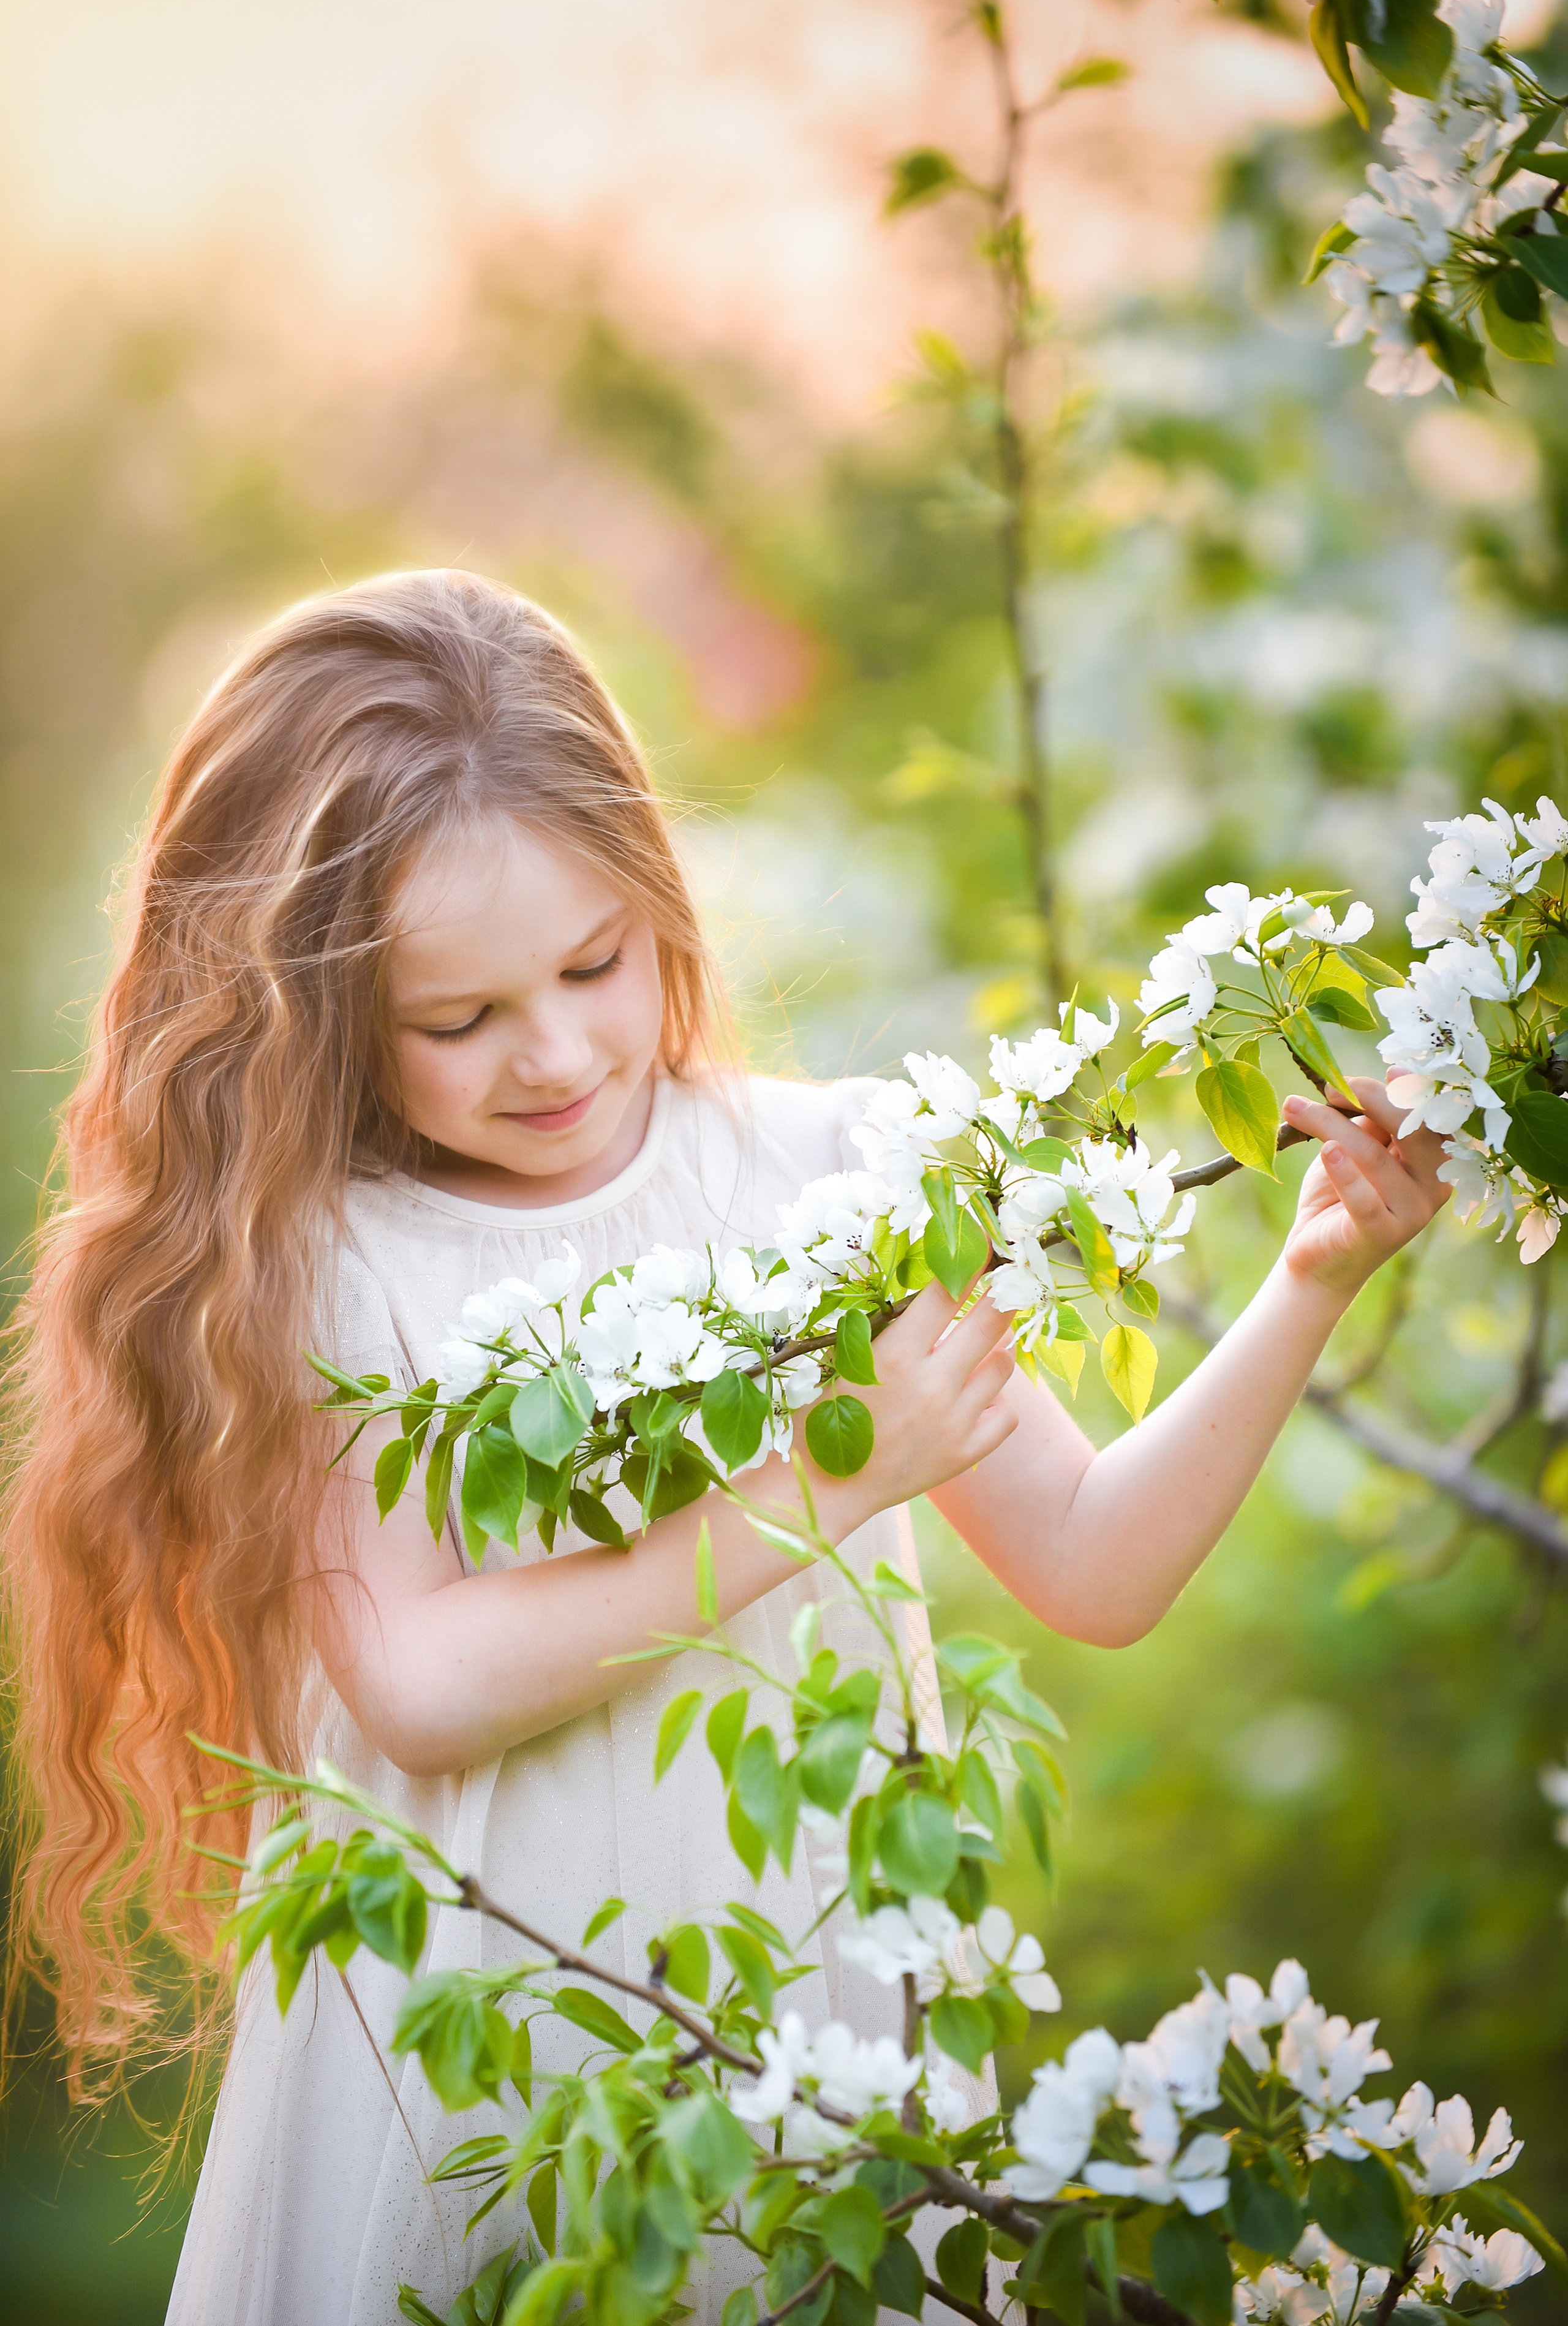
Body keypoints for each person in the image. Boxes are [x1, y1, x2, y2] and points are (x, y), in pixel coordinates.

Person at [2, 570, 1449, 2325]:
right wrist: (835, 1479)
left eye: (592, 964)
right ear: (321, 1014)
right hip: (479, 2067)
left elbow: (1095, 1564)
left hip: (807, 2038)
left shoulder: (836, 1176)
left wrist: (1312, 1276)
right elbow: (422, 1684)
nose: (554, 1052)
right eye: (456, 1020)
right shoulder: (331, 1260)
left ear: (654, 901)